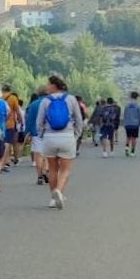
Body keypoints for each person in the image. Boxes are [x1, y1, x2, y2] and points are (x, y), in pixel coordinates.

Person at [37, 75, 85, 210]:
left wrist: (42, 135)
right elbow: (79, 120)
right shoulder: (71, 99)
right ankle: (59, 191)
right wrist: (75, 135)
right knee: (65, 170)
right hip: (67, 137)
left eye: (48, 84)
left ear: (54, 85)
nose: (47, 86)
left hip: (50, 137)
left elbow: (39, 122)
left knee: (52, 169)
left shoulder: (45, 101)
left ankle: (53, 199)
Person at [25, 89, 50, 185]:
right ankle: (45, 170)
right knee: (47, 154)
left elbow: (29, 119)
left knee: (38, 154)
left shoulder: (33, 104)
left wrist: (27, 132)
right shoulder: (50, 103)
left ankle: (39, 176)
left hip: (36, 132)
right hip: (49, 131)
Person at [2, 85, 24, 167]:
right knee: (11, 142)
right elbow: (17, 111)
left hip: (0, 123)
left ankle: (4, 159)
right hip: (11, 123)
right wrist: (21, 121)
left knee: (4, 142)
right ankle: (11, 159)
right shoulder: (13, 98)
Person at [123, 91, 140, 156]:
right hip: (135, 124)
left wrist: (125, 122)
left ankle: (126, 148)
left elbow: (124, 114)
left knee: (128, 137)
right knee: (134, 138)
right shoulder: (138, 105)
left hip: (127, 123)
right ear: (137, 97)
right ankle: (132, 152)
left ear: (131, 96)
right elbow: (139, 115)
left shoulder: (127, 105)